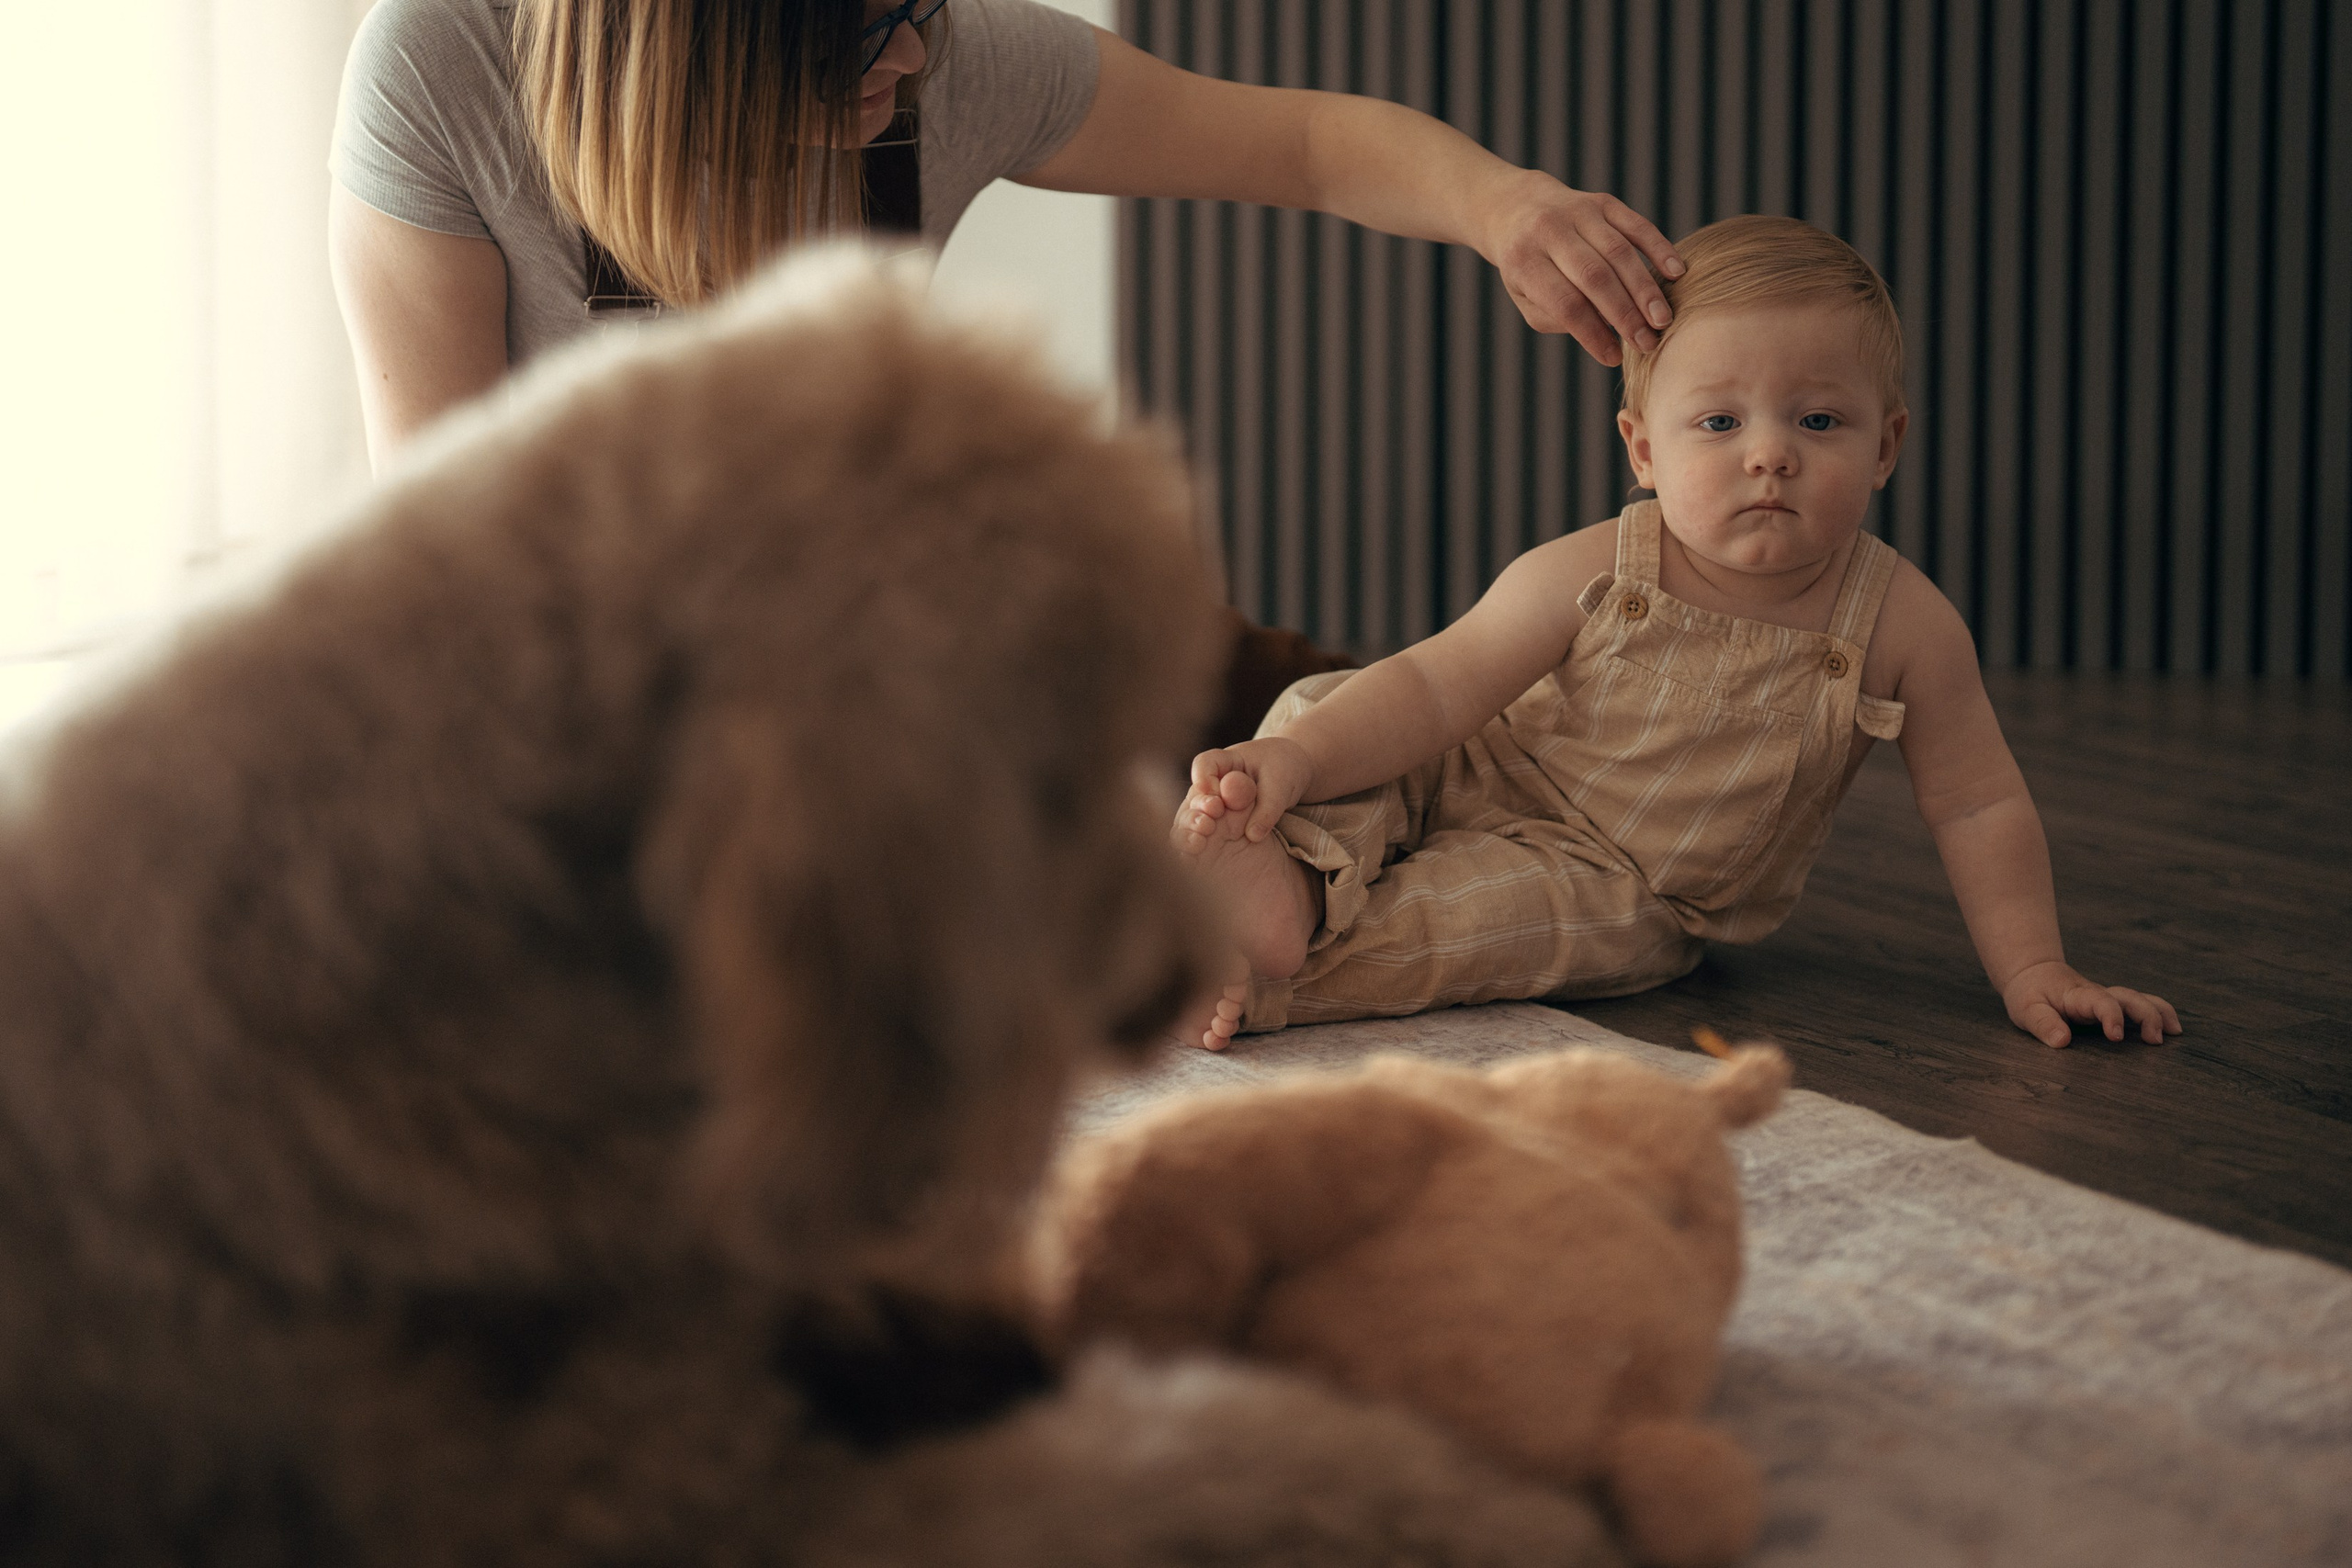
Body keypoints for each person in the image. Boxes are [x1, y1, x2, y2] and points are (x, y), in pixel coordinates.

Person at [328, 0, 1688, 747]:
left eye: (917, 8)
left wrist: (1506, 207)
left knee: (1332, 742)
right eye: (866, 28)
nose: (914, 54)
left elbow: (1304, 146)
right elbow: (443, 580)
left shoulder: (943, 67)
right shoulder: (442, 73)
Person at [1172, 215, 2182, 1055]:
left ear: (1887, 444)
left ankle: (1263, 976)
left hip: (1617, 880)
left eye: (1818, 422)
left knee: (1469, 923)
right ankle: (1286, 870)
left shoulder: (1901, 623)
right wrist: (1301, 760)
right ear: (1644, 448)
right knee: (1322, 712)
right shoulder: (1597, 565)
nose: (1770, 456)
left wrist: (2034, 965)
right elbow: (1438, 686)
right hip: (1473, 765)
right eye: (1720, 424)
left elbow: (1976, 803)